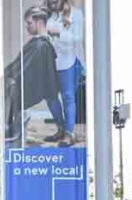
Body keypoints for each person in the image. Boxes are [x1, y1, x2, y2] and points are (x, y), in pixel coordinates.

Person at [4, 6, 67, 147]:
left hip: (46, 70)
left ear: (39, 22)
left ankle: (62, 130)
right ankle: (61, 130)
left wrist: (12, 75)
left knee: (50, 96)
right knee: (51, 96)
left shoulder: (41, 45)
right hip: (45, 72)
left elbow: (25, 64)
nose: (27, 27)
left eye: (29, 23)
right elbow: (22, 62)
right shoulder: (39, 43)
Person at [46, 0, 86, 145]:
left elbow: (77, 38)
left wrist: (59, 32)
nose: (52, 3)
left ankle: (69, 134)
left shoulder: (76, 14)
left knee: (68, 97)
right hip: (52, 61)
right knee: (50, 96)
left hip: (69, 60)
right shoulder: (50, 14)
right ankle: (61, 128)